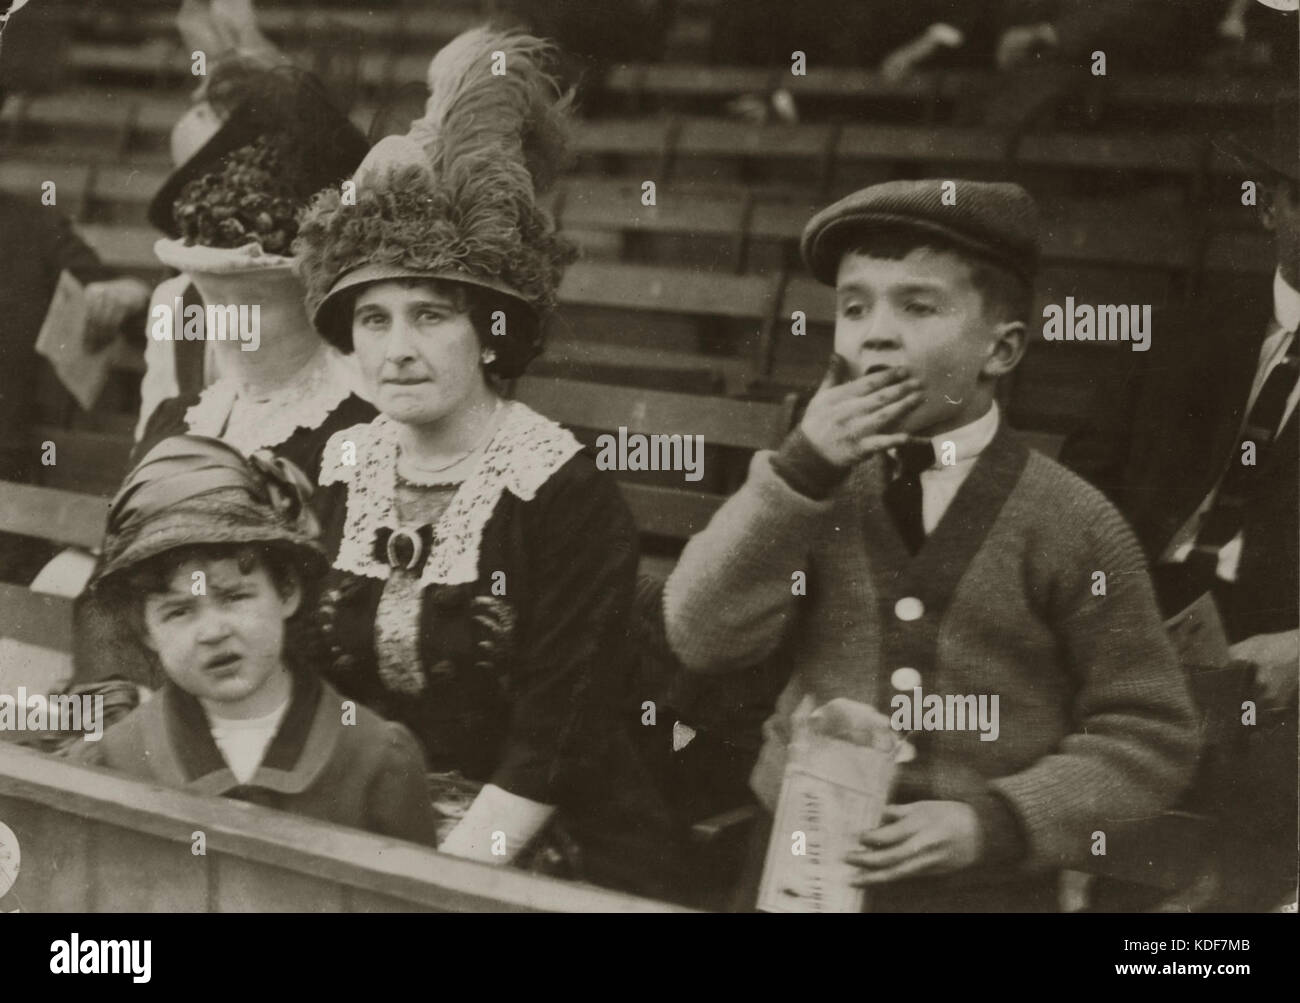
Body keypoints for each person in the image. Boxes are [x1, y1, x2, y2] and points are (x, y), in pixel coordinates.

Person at [661, 179, 1200, 911]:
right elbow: (701, 635)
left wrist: (1000, 819)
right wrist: (800, 471)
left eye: (918, 306)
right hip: (800, 855)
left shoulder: (1074, 521)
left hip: (985, 884)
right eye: (854, 307)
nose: (875, 333)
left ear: (1000, 349)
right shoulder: (807, 490)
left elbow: (1151, 731)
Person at [292, 27, 667, 894]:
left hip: (538, 839)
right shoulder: (339, 466)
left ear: (493, 330)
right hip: (368, 825)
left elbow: (556, 742)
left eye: (432, 314)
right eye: (375, 319)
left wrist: (423, 885)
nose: (398, 348)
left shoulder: (562, 492)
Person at [1060, 106, 1299, 911]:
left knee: (1233, 877)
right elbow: (1080, 492)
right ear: (1270, 204)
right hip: (1135, 624)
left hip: (1275, 660)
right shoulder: (1184, 329)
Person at [66, 435, 437, 846]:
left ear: (287, 591)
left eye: (234, 597)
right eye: (179, 611)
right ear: (145, 631)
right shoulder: (115, 760)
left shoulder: (375, 758)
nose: (213, 631)